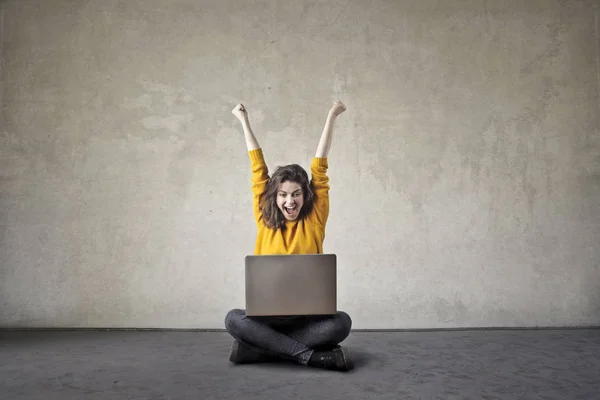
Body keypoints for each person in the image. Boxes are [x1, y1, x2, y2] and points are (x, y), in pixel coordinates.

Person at [224, 100, 354, 371]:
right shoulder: (265, 218)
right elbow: (258, 169)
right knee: (233, 319)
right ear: (276, 197)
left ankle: (261, 350)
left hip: (308, 318)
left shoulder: (315, 218)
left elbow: (319, 170)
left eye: (296, 194)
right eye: (283, 195)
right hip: (269, 318)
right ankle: (309, 356)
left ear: (305, 195)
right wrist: (243, 120)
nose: (290, 201)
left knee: (341, 322)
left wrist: (332, 115)